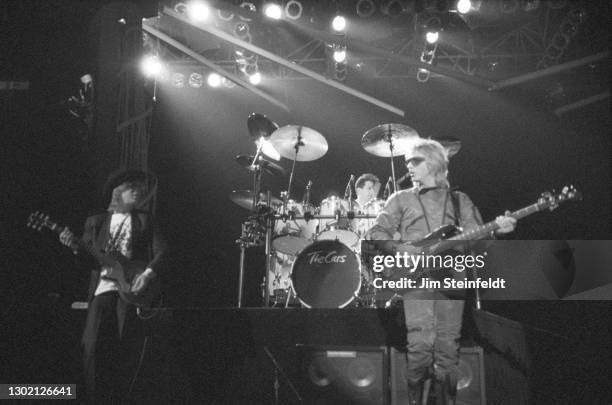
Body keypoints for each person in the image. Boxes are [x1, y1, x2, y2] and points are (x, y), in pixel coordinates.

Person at [367, 139, 515, 404]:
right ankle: (414, 400)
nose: (408, 166)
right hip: (416, 280)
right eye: (407, 161)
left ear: (433, 162)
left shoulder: (459, 201)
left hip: (450, 280)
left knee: (448, 353)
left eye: (415, 161)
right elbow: (375, 232)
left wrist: (496, 230)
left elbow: (476, 239)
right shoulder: (401, 198)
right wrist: (399, 248)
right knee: (420, 347)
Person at [59, 168, 166, 404]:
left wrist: (147, 274)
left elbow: (163, 251)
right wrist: (75, 246)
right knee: (92, 346)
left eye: (141, 188)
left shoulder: (144, 219)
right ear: (119, 191)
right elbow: (89, 261)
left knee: (125, 349)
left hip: (132, 291)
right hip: (104, 289)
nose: (140, 192)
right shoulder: (96, 222)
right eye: (133, 188)